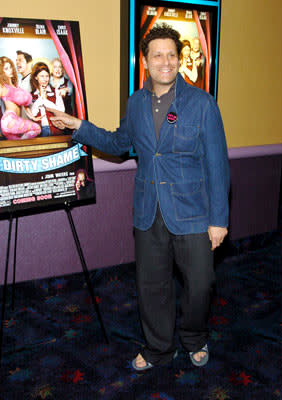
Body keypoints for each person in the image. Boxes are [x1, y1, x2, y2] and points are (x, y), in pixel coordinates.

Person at [48, 23, 230, 370]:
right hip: (148, 212)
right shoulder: (135, 103)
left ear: (179, 60)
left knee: (201, 285)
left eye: (172, 55)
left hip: (193, 212)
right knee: (151, 286)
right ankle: (159, 347)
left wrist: (218, 220)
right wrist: (79, 126)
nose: (166, 61)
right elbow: (119, 144)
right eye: (158, 55)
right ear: (145, 61)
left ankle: (194, 335)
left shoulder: (203, 104)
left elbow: (217, 164)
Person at [0, 56, 41, 140]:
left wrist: (33, 117)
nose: (10, 70)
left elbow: (25, 106)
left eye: (10, 67)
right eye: (6, 68)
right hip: (9, 119)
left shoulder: (16, 87)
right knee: (37, 128)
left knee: (18, 147)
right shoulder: (3, 87)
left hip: (15, 120)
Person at [30, 62, 65, 137]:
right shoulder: (31, 95)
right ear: (36, 77)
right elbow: (32, 114)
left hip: (56, 129)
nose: (45, 79)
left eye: (47, 76)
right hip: (38, 131)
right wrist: (40, 100)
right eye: (42, 76)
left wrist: (45, 100)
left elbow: (61, 111)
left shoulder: (55, 91)